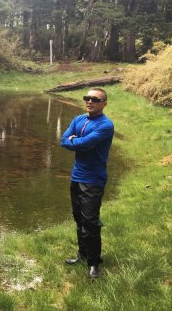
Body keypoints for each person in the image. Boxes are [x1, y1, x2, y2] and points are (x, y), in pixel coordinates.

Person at [60, 88, 114, 279]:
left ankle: (94, 263)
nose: (89, 101)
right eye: (87, 98)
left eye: (95, 99)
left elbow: (84, 144)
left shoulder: (106, 125)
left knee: (90, 222)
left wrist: (75, 140)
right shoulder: (78, 120)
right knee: (79, 218)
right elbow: (63, 140)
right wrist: (73, 140)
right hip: (76, 177)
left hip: (93, 179)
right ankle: (82, 255)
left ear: (104, 103)